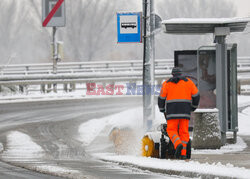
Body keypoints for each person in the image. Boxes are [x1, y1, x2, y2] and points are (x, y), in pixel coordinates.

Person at [158, 67, 200, 159]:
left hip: (172, 112)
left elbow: (161, 98)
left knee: (171, 130)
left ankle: (178, 144)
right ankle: (183, 154)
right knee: (184, 132)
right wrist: (193, 107)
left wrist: (162, 109)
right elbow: (196, 95)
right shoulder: (188, 82)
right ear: (181, 74)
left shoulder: (167, 83)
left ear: (172, 74)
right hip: (185, 112)